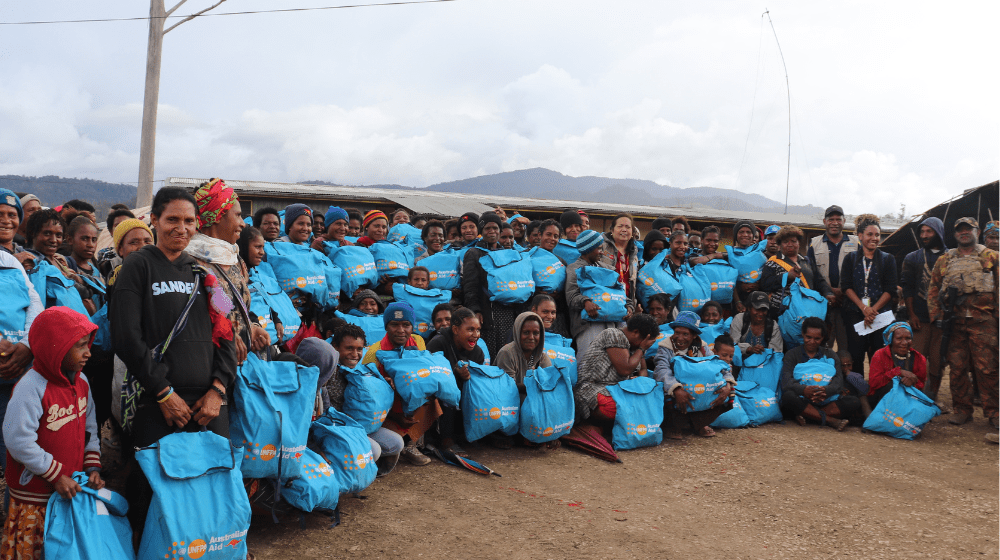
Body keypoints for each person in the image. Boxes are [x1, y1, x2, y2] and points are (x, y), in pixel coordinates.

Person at [111, 186, 237, 533]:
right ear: (154, 221)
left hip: (210, 407)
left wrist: (218, 389)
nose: (181, 228)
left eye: (189, 220)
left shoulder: (206, 276)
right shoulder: (136, 267)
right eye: (172, 220)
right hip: (158, 403)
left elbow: (227, 334)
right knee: (152, 496)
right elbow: (126, 337)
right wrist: (164, 393)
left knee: (210, 489)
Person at [2, 307, 103, 560]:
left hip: (69, 490)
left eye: (87, 344)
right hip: (34, 497)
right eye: (80, 346)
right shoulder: (30, 387)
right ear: (55, 348)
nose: (88, 352)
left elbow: (90, 428)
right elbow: (18, 439)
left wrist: (92, 466)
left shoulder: (82, 383)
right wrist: (55, 474)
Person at [187, 179, 269, 365]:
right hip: (209, 362)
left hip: (240, 360)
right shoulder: (189, 262)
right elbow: (192, 318)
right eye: (238, 215)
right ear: (217, 215)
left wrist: (253, 327)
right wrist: (227, 336)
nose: (242, 223)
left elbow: (240, 307)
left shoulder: (234, 258)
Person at [927, 217, 999, 428]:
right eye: (960, 230)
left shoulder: (992, 256)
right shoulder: (945, 259)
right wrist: (936, 317)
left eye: (969, 229)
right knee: (957, 369)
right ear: (955, 234)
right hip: (955, 322)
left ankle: (994, 412)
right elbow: (933, 290)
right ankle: (962, 410)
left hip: (984, 322)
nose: (964, 233)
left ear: (977, 232)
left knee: (987, 368)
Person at [307, 328, 404, 477]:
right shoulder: (328, 371)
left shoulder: (362, 368)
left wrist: (383, 383)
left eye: (359, 349)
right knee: (373, 450)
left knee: (396, 443)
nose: (355, 354)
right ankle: (340, 474)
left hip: (360, 425)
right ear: (335, 348)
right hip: (337, 428)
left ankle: (365, 470)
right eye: (349, 348)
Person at [361, 302, 437, 466]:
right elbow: (370, 397)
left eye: (406, 325)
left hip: (409, 400)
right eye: (394, 324)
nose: (401, 330)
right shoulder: (374, 353)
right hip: (386, 407)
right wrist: (396, 416)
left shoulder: (418, 341)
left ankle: (411, 443)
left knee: (433, 396)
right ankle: (397, 439)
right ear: (386, 326)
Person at [653, 311, 731, 438]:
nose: (680, 337)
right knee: (666, 391)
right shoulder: (665, 347)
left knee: (728, 391)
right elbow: (661, 370)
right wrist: (676, 388)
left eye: (685, 334)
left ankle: (701, 423)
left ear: (694, 335)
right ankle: (674, 425)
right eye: (677, 332)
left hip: (698, 389)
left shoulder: (703, 348)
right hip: (678, 388)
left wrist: (727, 385)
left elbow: (720, 367)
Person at [574, 314, 658, 423]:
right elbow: (625, 370)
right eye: (644, 342)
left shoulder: (637, 345)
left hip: (619, 388)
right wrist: (642, 348)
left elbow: (643, 369)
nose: (645, 346)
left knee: (650, 397)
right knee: (616, 407)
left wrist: (639, 383)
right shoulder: (614, 335)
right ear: (636, 332)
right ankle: (596, 424)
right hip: (593, 387)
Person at [778, 317, 860, 430]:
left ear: (823, 338)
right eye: (808, 337)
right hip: (802, 398)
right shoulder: (792, 354)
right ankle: (829, 420)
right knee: (788, 397)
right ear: (802, 334)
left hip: (826, 399)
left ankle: (810, 415)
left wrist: (825, 391)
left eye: (817, 338)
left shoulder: (830, 354)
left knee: (854, 401)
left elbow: (838, 381)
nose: (812, 342)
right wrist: (804, 390)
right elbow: (787, 382)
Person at [900, 216, 948, 404]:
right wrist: (911, 314)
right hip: (919, 318)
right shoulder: (913, 257)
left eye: (929, 231)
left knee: (938, 361)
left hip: (942, 320)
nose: (924, 235)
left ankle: (932, 398)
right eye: (922, 232)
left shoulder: (951, 257)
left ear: (939, 232)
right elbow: (907, 287)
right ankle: (912, 397)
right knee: (915, 359)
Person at [840, 214, 897, 369]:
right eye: (870, 234)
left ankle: (877, 391)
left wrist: (873, 310)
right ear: (860, 236)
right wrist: (864, 308)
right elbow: (846, 286)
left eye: (877, 235)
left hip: (880, 315)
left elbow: (890, 289)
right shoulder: (850, 259)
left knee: (879, 355)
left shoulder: (888, 259)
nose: (874, 238)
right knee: (856, 354)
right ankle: (858, 390)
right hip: (855, 313)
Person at [425, 307, 484, 454]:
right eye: (470, 329)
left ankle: (468, 436)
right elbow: (429, 376)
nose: (475, 335)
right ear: (456, 329)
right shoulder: (437, 343)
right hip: (437, 401)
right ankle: (445, 440)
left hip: (463, 401)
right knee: (449, 391)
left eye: (478, 330)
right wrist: (455, 372)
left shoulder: (477, 352)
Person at [496, 311, 555, 449]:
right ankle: (504, 435)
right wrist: (532, 386)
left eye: (536, 333)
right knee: (524, 399)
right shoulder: (507, 353)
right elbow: (507, 388)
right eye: (526, 332)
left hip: (530, 399)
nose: (531, 337)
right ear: (517, 332)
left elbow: (549, 384)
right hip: (509, 402)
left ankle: (547, 434)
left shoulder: (542, 356)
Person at [461, 212, 516, 358]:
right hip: (486, 314)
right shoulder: (473, 253)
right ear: (481, 231)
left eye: (495, 228)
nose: (492, 231)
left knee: (507, 353)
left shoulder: (506, 254)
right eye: (487, 228)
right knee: (489, 354)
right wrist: (475, 310)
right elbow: (469, 286)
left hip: (506, 313)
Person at [758, 225, 834, 329]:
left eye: (793, 241)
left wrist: (828, 293)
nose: (790, 245)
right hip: (784, 313)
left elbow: (819, 280)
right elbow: (765, 285)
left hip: (808, 311)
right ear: (779, 245)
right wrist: (787, 276)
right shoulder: (772, 262)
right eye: (785, 242)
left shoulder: (807, 261)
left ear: (799, 243)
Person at [567, 230, 629, 354]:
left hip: (613, 324)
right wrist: (585, 302)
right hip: (588, 325)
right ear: (588, 249)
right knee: (588, 362)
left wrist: (629, 306)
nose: (602, 252)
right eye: (599, 249)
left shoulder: (607, 268)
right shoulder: (574, 269)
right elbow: (571, 296)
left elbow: (619, 292)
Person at [808, 205, 859, 352]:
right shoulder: (814, 243)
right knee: (823, 345)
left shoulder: (856, 242)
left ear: (844, 221)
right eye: (831, 219)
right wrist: (828, 291)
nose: (835, 222)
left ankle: (848, 375)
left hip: (849, 303)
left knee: (848, 346)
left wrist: (844, 291)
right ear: (825, 221)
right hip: (824, 304)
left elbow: (861, 271)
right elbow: (811, 274)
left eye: (838, 219)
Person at [866, 322, 926, 407]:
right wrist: (898, 372)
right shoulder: (880, 355)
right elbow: (874, 383)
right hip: (883, 399)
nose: (904, 342)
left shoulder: (919, 358)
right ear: (890, 339)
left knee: (928, 395)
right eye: (899, 338)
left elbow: (921, 383)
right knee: (892, 386)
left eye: (908, 338)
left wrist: (913, 381)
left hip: (909, 398)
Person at [600, 214, 639, 313]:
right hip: (605, 301)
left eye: (628, 227)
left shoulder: (634, 255)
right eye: (620, 226)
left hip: (626, 306)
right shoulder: (602, 248)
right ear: (612, 230)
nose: (624, 230)